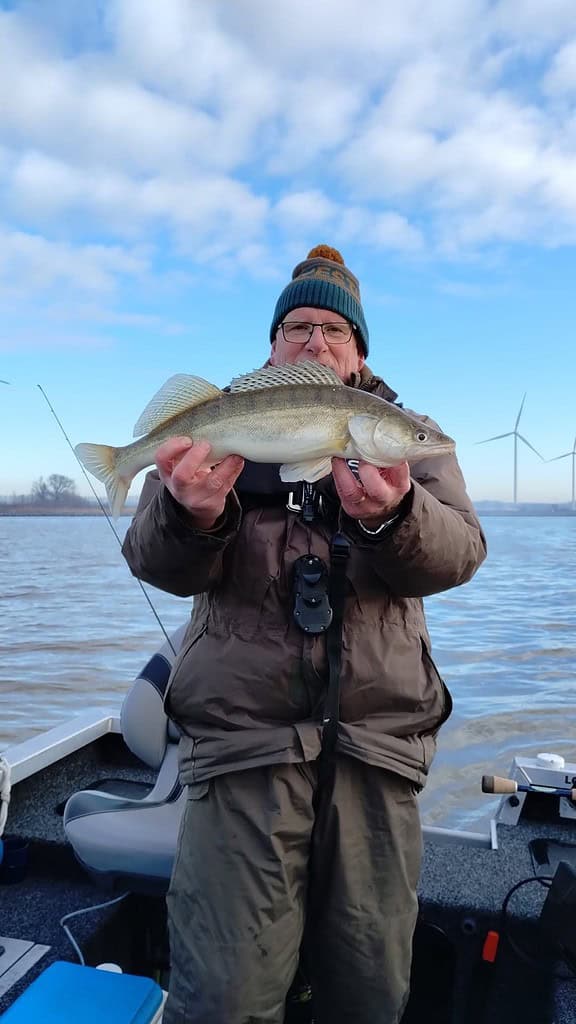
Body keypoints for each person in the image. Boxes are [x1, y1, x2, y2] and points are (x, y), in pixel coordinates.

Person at [122, 245, 487, 1024]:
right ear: (273, 345)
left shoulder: (408, 434)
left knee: (368, 991)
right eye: (297, 328)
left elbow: (461, 553)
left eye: (333, 330)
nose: (315, 342)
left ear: (359, 352)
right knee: (224, 999)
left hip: (376, 749)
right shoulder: (223, 423)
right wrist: (189, 514)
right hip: (245, 746)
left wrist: (393, 516)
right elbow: (151, 561)